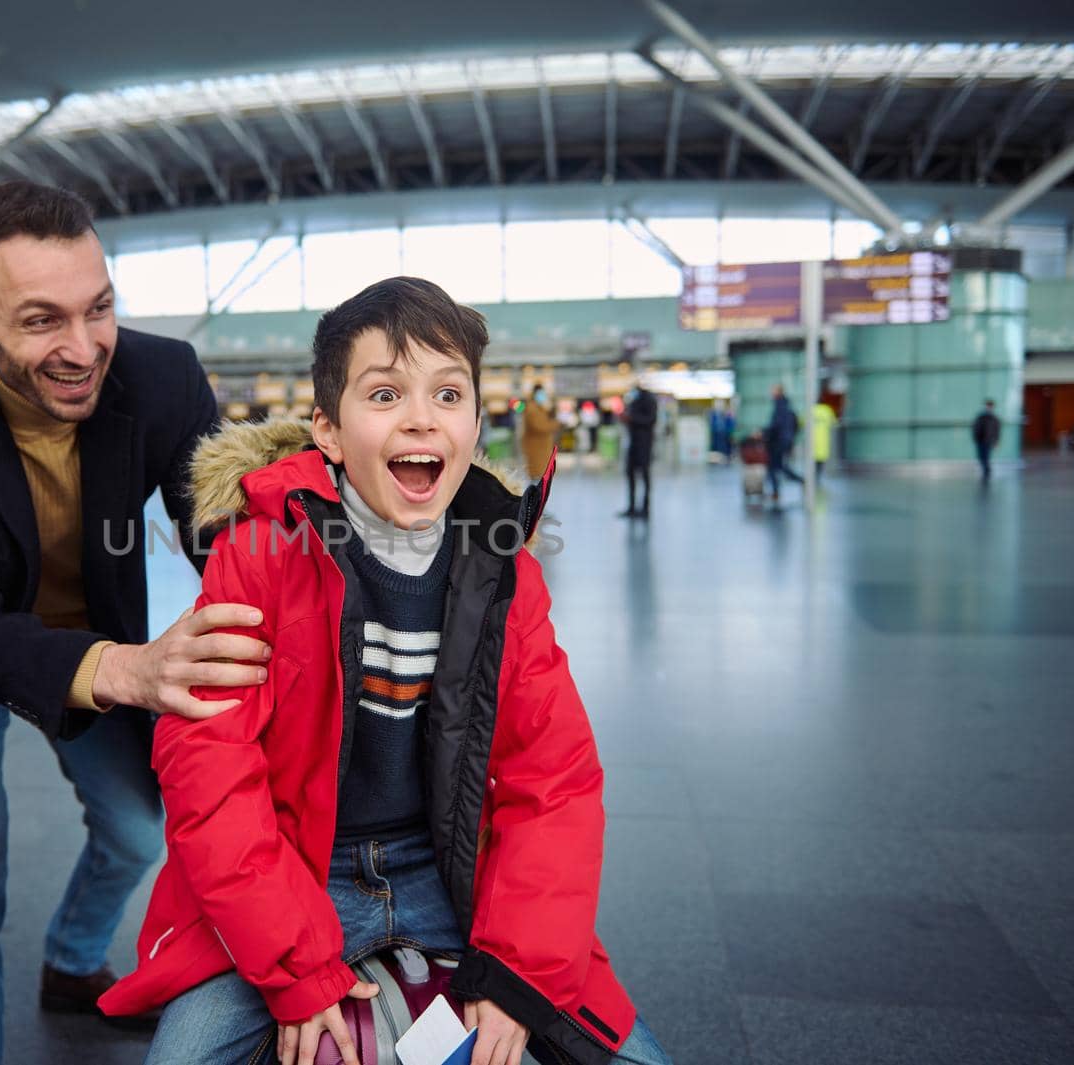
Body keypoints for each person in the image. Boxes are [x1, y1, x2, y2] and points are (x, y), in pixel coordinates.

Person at [100, 277, 670, 1065]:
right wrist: (296, 966)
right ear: (327, 430)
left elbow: (555, 780)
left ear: (475, 420)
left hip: (449, 875)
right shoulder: (261, 555)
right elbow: (209, 770)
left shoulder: (503, 572)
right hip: (297, 869)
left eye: (447, 392)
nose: (420, 416)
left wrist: (517, 970)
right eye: (384, 393)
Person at [0, 182, 270, 1065]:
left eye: (98, 307)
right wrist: (134, 672)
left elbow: (225, 527)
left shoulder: (160, 374)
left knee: (141, 831)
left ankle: (71, 960)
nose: (83, 347)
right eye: (41, 321)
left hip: (89, 638)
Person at [618, 384, 658, 519]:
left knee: (645, 476)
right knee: (630, 474)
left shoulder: (649, 400)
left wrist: (631, 419)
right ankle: (632, 507)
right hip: (633, 443)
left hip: (644, 444)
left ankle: (645, 508)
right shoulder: (634, 401)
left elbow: (650, 419)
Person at [764, 385, 803, 503]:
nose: (771, 393)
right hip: (784, 441)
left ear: (778, 392)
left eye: (773, 391)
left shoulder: (779, 406)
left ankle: (800, 482)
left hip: (778, 442)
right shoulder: (786, 406)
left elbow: (776, 425)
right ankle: (776, 491)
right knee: (778, 466)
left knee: (774, 467)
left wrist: (764, 433)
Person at [519, 383, 558, 481]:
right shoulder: (532, 408)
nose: (543, 396)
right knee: (536, 478)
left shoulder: (539, 407)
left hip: (541, 447)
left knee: (540, 476)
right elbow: (540, 426)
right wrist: (557, 424)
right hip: (535, 448)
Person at [972, 399, 1001, 483]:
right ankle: (986, 469)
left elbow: (997, 431)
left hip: (988, 441)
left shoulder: (994, 419)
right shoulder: (981, 417)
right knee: (981, 456)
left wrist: (996, 441)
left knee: (986, 456)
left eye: (989, 406)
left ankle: (987, 470)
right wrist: (975, 437)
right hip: (980, 440)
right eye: (987, 406)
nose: (988, 407)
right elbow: (976, 428)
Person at [810, 400, 837, 485]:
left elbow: (802, 422)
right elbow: (834, 422)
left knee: (812, 461)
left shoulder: (811, 410)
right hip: (823, 439)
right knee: (820, 461)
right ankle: (817, 477)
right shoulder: (827, 410)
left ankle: (813, 477)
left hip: (812, 440)